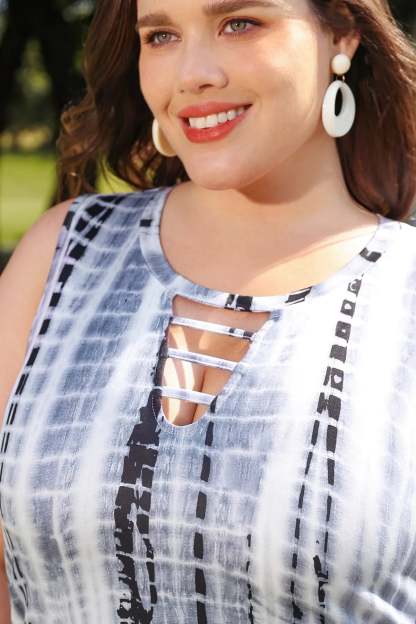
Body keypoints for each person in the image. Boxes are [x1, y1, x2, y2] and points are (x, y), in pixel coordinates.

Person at [1, 0, 416, 621]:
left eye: (240, 23)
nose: (192, 73)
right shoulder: (63, 254)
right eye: (160, 36)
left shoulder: (403, 295)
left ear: (342, 35)